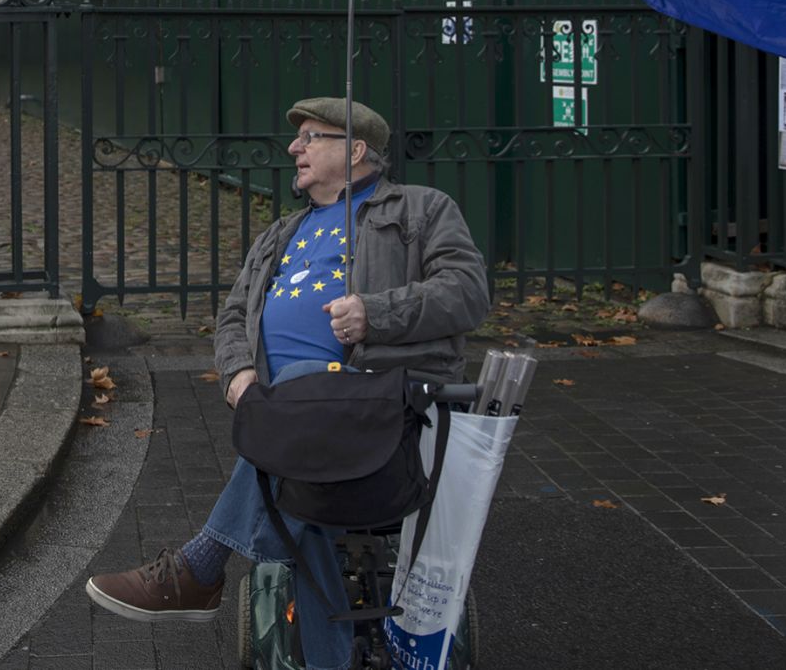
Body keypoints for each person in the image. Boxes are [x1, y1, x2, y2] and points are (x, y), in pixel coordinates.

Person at [84, 97, 489, 670]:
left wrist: (376, 313)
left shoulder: (420, 211)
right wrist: (240, 375)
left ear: (353, 151)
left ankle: (200, 567)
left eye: (310, 137)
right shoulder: (282, 233)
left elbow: (469, 293)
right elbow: (231, 317)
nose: (294, 148)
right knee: (301, 481)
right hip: (295, 426)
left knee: (301, 386)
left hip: (389, 417)